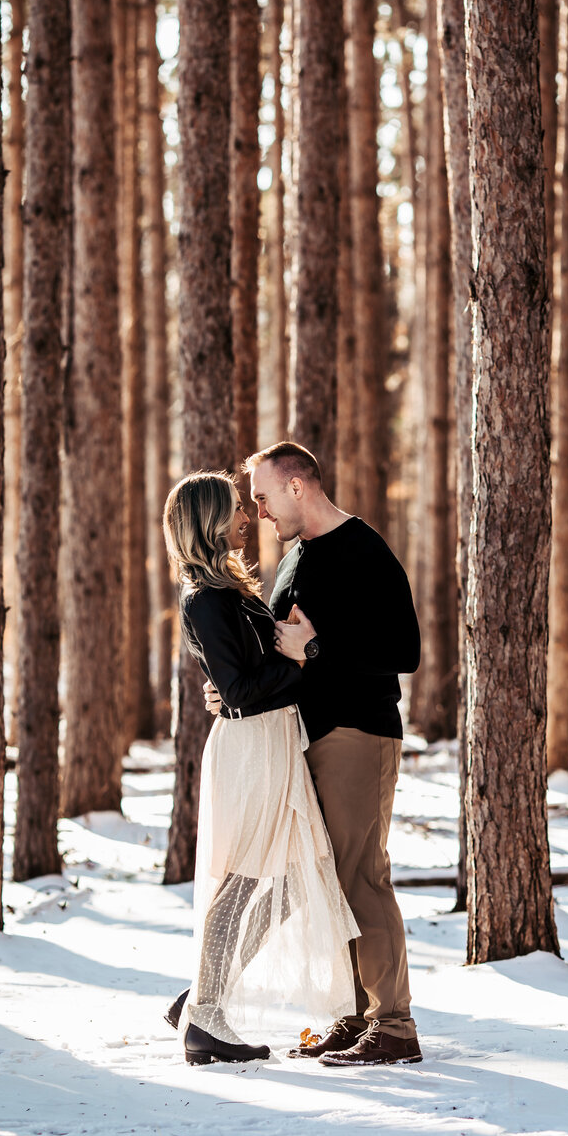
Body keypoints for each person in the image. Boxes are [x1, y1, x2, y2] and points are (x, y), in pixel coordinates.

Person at [205, 442, 423, 1067]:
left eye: (265, 498)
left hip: (359, 732)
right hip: (309, 736)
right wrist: (234, 685)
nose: (261, 513)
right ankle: (353, 1018)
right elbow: (284, 649)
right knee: (325, 877)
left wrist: (319, 650)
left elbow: (402, 651)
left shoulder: (364, 551)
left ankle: (395, 1025)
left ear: (298, 487)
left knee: (359, 874)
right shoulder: (294, 558)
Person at [162, 470, 359, 1066]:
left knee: (297, 877)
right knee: (244, 879)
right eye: (234, 511)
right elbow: (242, 689)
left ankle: (204, 994)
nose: (247, 518)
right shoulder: (206, 598)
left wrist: (292, 653)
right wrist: (299, 661)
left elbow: (243, 679)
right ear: (207, 520)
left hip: (272, 740)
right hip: (250, 747)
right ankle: (204, 1017)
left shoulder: (230, 590)